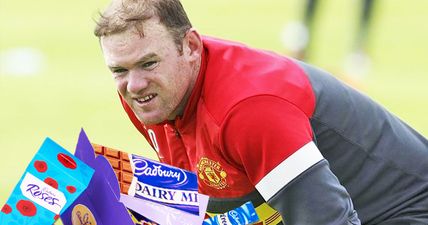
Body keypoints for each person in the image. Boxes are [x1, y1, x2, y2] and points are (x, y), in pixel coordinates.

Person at [94, 0, 428, 224]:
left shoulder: (248, 110)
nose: (133, 85)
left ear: (191, 47)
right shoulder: (151, 93)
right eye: (119, 70)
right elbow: (209, 194)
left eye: (148, 63)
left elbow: (330, 220)